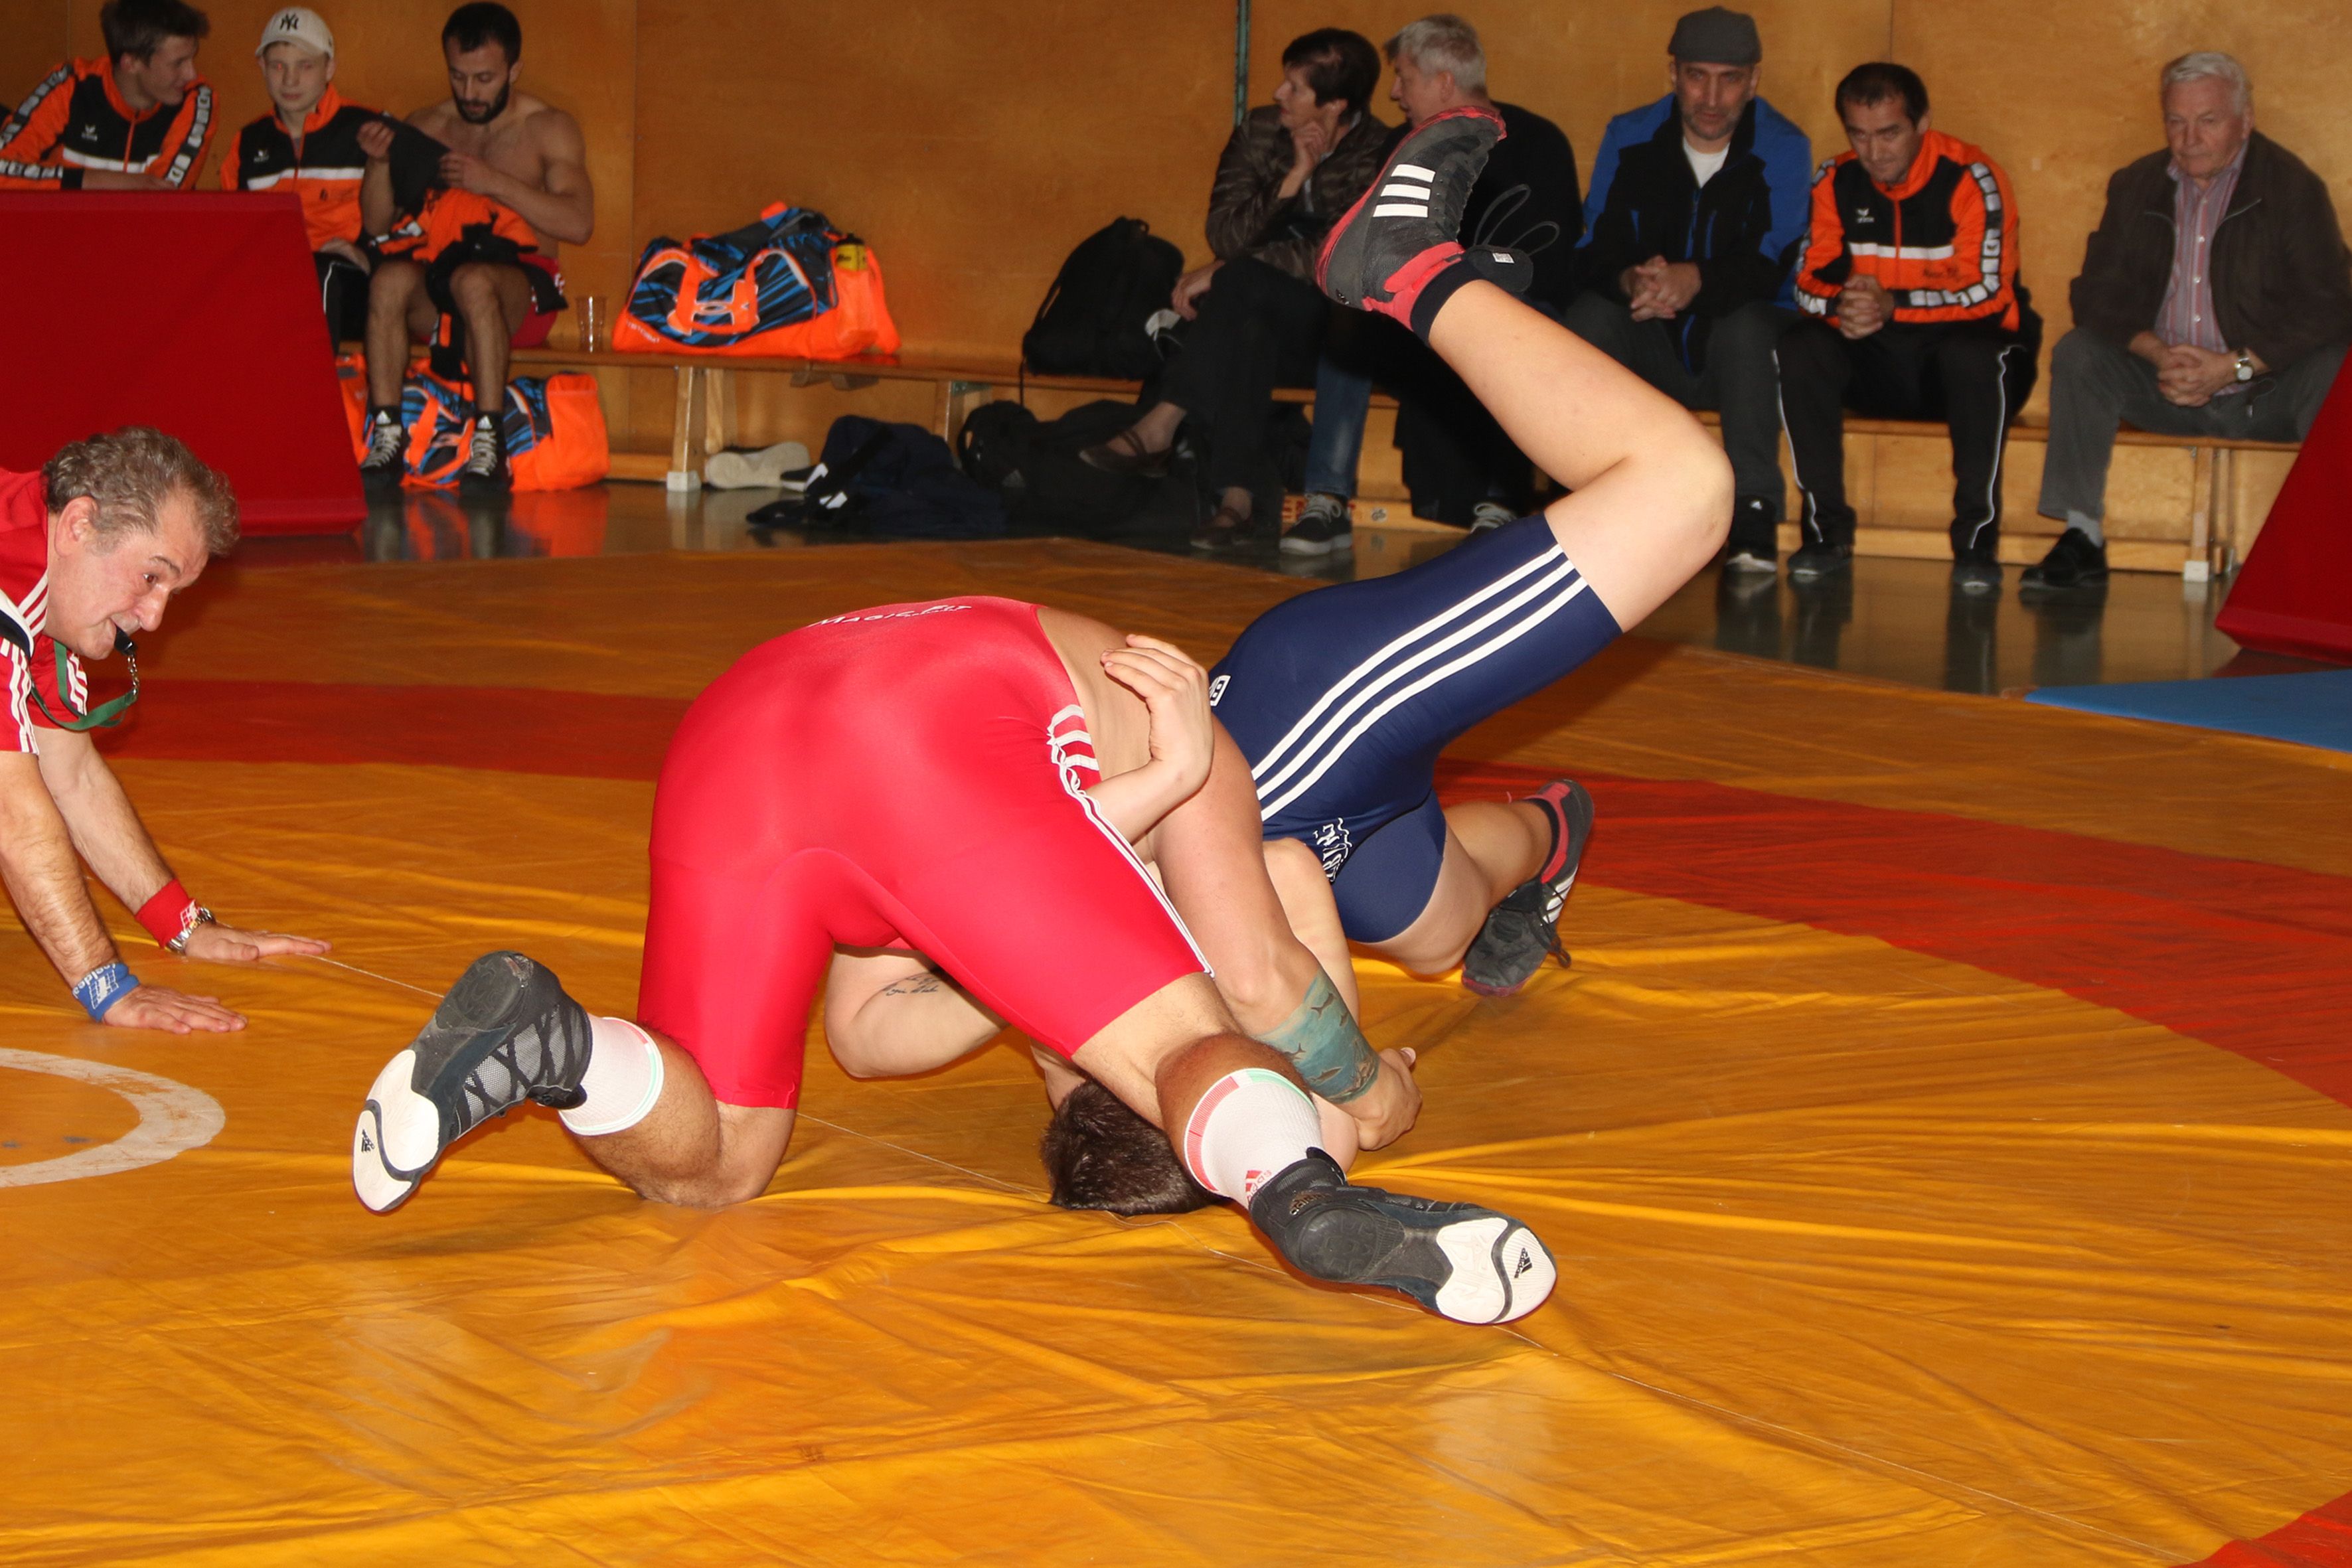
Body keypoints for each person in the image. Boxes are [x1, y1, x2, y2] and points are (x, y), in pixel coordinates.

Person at [0, 430, 329, 1032]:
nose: (153, 619)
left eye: (171, 592)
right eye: (151, 577)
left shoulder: (39, 578)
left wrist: (184, 926)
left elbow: (71, 775)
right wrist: (107, 985)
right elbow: (13, 815)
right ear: (79, 526)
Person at [2029, 52, 2352, 591]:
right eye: (2175, 121)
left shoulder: (2291, 188)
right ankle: (2081, 534)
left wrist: (2233, 367)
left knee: (2338, 366)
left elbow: (2330, 305)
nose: (2189, 139)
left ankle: (2331, 542)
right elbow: (2094, 294)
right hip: (2164, 385)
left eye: (2207, 121)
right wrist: (2157, 354)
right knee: (2078, 352)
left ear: (2244, 121)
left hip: (2263, 390)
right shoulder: (2136, 184)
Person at [1079, 30, 1391, 552]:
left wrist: (1229, 268)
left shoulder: (1377, 150)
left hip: (1333, 327)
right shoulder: (1262, 131)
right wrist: (1293, 177)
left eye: (1295, 87)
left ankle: (1162, 423)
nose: (1277, 93)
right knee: (1248, 322)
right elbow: (1223, 234)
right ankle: (1236, 503)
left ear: (1335, 104)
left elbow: (1342, 253)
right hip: (1254, 316)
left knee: (1241, 284)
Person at [1287, 13, 1584, 553]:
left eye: (1403, 77)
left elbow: (1548, 258)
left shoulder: (1537, 142)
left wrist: (1467, 286)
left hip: (1498, 313)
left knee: (1524, 320)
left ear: (1444, 83)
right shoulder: (1401, 146)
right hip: (1415, 318)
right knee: (1346, 318)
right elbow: (1372, 247)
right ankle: (1326, 499)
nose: (1394, 93)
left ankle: (1501, 504)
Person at [1561, 7, 1810, 575]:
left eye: (1729, 79)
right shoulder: (1628, 134)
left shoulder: (1784, 145)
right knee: (1589, 318)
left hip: (1738, 345)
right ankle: (1586, 496)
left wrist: (1693, 280)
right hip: (1651, 331)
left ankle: (1753, 510)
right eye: (1697, 76)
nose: (1712, 98)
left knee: (1750, 325)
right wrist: (1631, 280)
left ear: (1753, 81)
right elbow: (1594, 243)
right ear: (1673, 74)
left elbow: (1775, 260)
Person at [1780, 63, 2041, 594]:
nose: (1873, 152)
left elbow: (1989, 294)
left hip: (1961, 365)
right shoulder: (1834, 180)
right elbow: (1805, 285)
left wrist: (1891, 306)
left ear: (1922, 123)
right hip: (1876, 357)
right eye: (1858, 134)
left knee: (1976, 356)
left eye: (1889, 133)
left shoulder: (1971, 178)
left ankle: (1976, 542)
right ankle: (1826, 534)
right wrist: (1843, 306)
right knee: (1799, 344)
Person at [354, 3, 593, 495]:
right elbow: (376, 225)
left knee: (474, 280)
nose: (469, 93)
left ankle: (490, 440)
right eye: (458, 76)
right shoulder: (428, 124)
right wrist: (378, 165)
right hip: (443, 283)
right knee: (389, 279)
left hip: (522, 291)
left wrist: (494, 183)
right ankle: (388, 434)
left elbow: (579, 224)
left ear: (514, 70)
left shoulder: (547, 128)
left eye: (484, 79)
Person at [219, 8, 379, 344]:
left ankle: (311, 378)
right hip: (274, 277)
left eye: (305, 66)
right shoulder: (248, 142)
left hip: (350, 278)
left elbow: (408, 215)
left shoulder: (367, 130)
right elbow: (233, 231)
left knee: (321, 271)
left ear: (329, 68)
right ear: (262, 67)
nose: (290, 81)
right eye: (278, 66)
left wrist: (368, 256)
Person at [0, 0, 213, 191]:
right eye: (178, 63)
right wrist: (93, 180)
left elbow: (163, 194)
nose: (191, 74)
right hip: (62, 222)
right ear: (131, 63)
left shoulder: (195, 97)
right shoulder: (71, 86)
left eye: (192, 59)